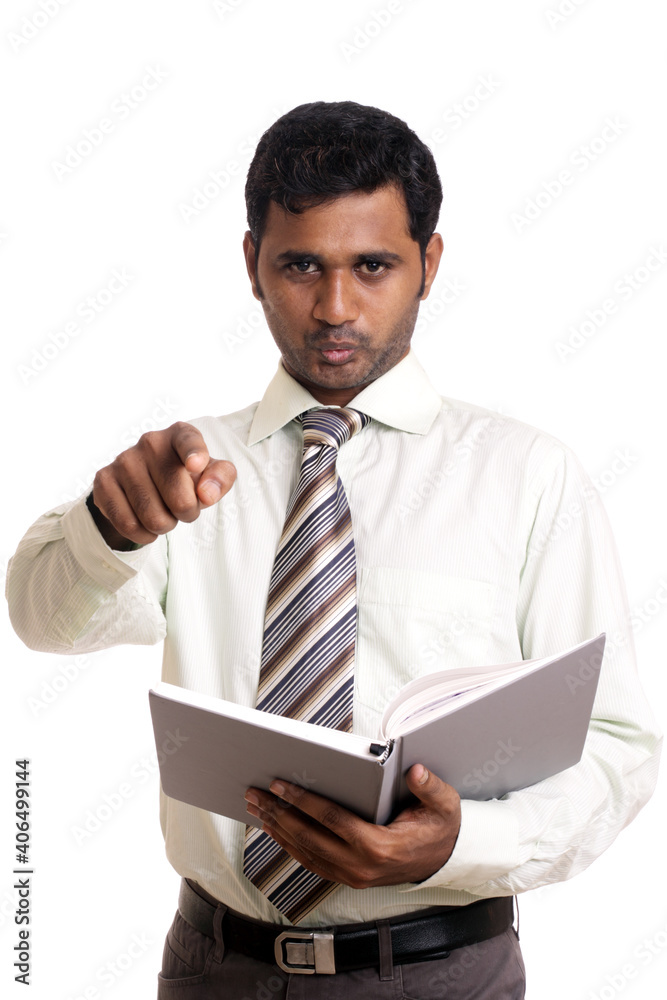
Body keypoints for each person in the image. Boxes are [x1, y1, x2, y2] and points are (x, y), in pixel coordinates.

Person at [6, 101, 661, 999]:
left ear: (429, 264)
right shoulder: (184, 469)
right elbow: (42, 621)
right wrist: (107, 527)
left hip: (441, 973)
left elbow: (616, 744)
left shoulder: (526, 476)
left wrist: (460, 842)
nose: (335, 308)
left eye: (372, 266)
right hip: (213, 969)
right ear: (252, 264)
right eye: (301, 265)